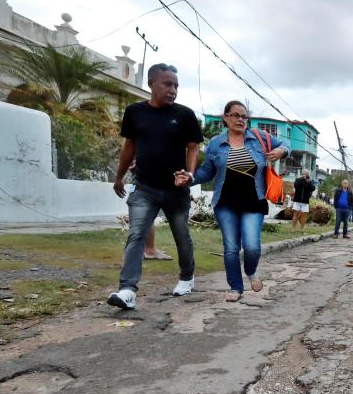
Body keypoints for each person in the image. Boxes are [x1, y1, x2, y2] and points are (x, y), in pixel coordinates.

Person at [108, 63, 202, 310]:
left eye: (176, 86)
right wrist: (119, 177)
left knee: (182, 236)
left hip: (176, 190)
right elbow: (129, 146)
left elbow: (193, 147)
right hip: (144, 187)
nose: (173, 90)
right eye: (167, 84)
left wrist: (190, 175)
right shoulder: (135, 112)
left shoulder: (185, 115)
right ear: (151, 84)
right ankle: (127, 290)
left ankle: (186, 276)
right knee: (137, 234)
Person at [182, 101, 290, 302]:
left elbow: (286, 145)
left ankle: (250, 271)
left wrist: (281, 152)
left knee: (252, 247)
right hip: (225, 203)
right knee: (231, 248)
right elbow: (207, 171)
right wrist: (190, 177)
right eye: (235, 115)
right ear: (225, 117)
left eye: (244, 116)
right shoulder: (216, 143)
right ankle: (235, 288)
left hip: (253, 201)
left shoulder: (259, 137)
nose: (240, 119)